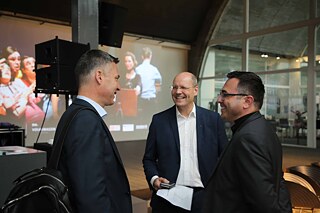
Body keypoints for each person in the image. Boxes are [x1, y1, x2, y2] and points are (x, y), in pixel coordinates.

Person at [53, 49, 132, 213]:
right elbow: (90, 196)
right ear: (99, 76)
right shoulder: (85, 121)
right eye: (116, 78)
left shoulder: (74, 113)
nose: (118, 87)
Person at [203, 71, 292, 213]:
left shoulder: (248, 138)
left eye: (225, 94)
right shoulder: (260, 128)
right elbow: (278, 182)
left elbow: (264, 203)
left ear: (247, 101)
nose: (219, 99)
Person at [143, 72, 228, 213]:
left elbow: (225, 158)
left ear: (195, 90)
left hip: (205, 198)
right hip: (168, 198)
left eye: (183, 87)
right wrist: (154, 179)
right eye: (174, 87)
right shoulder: (159, 121)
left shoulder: (213, 120)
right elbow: (149, 159)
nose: (178, 92)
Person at [136, 47, 162, 115]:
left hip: (141, 100)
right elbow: (159, 84)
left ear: (142, 56)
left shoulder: (137, 69)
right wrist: (156, 92)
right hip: (152, 100)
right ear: (151, 56)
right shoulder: (154, 70)